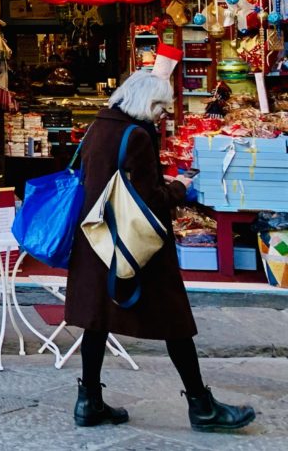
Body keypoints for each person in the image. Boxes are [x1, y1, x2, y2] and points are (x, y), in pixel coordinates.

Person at [65, 66, 256, 433]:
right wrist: (181, 186)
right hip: (135, 245)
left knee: (96, 319)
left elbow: (108, 178)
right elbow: (150, 199)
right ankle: (201, 406)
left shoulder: (100, 125)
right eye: (161, 108)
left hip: (96, 239)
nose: (164, 115)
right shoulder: (137, 134)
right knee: (175, 320)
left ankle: (88, 401)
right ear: (146, 102)